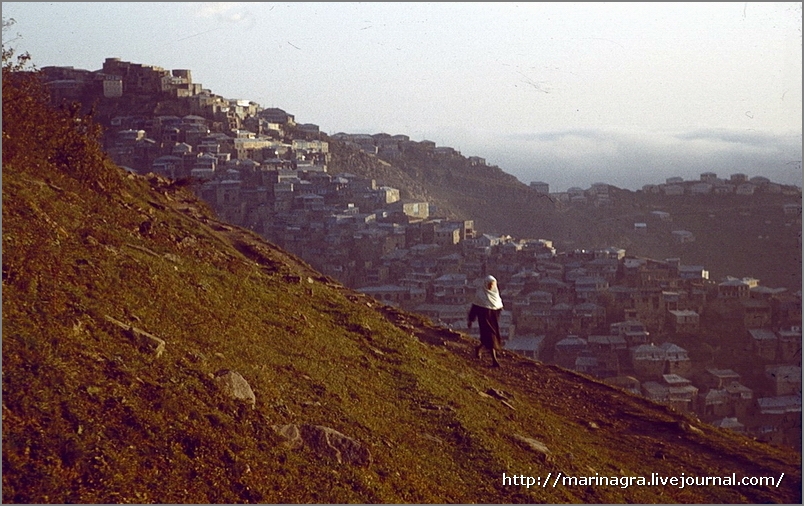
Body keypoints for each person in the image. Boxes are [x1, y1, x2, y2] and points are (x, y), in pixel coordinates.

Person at [467, 275, 504, 367]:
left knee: (488, 338)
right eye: (489, 284)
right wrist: (471, 320)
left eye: (492, 285)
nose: (490, 286)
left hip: (493, 321)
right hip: (484, 320)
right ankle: (494, 361)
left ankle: (479, 348)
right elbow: (474, 308)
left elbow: (498, 308)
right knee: (490, 338)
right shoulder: (480, 296)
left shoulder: (495, 296)